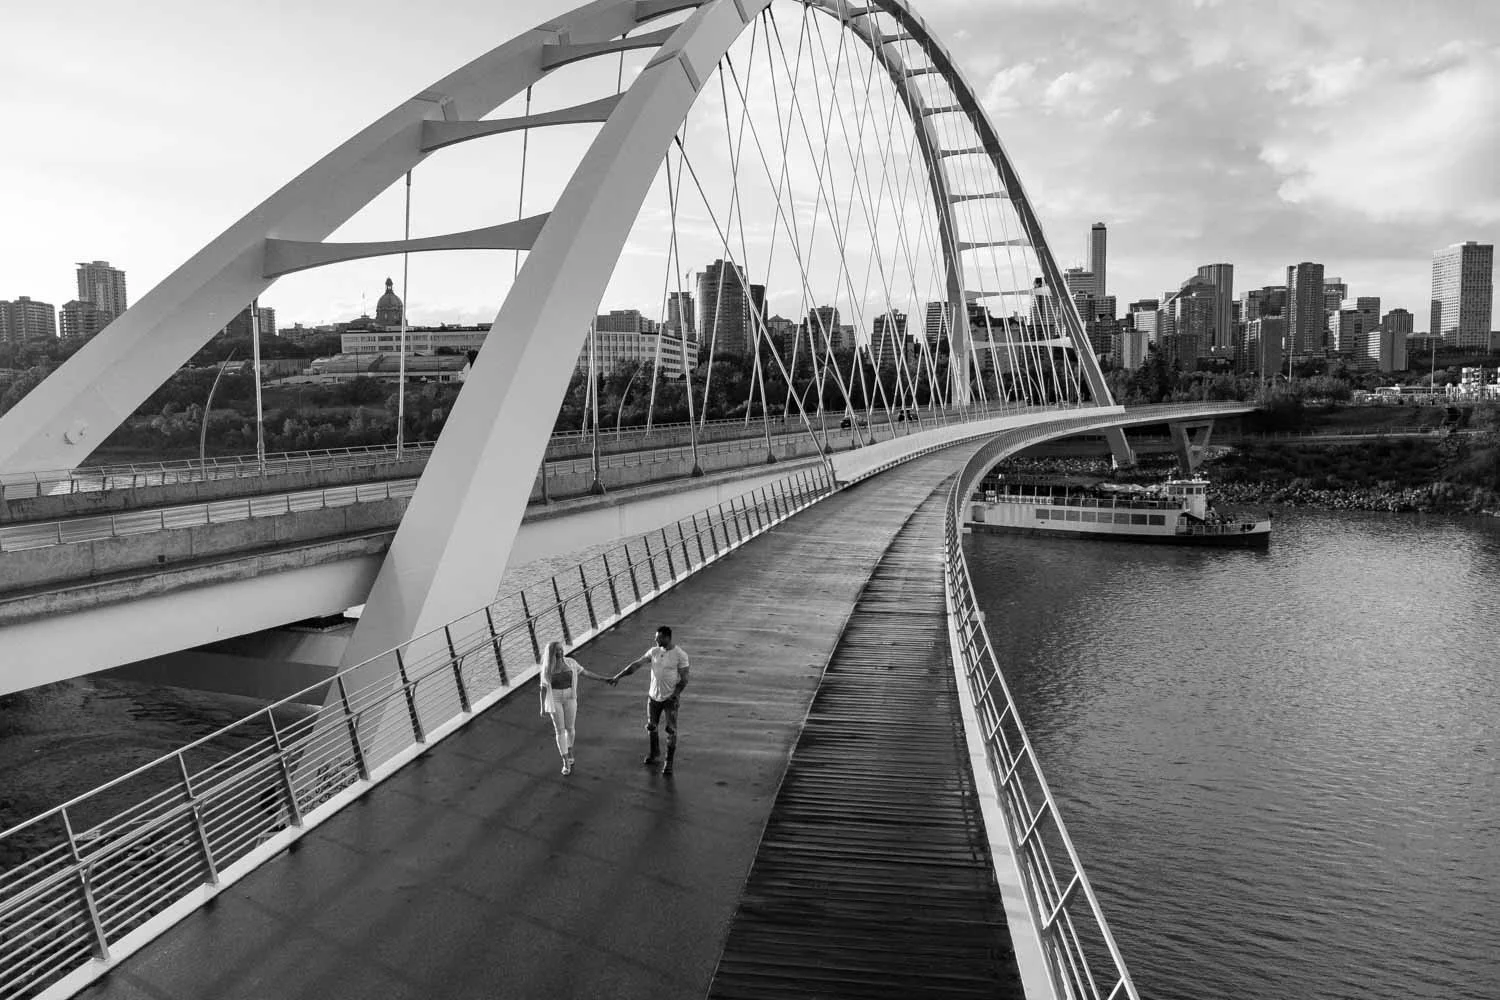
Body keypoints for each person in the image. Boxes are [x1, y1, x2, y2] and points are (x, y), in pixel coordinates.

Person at [612, 625, 690, 776]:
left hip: (669, 699)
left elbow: (685, 679)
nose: (655, 639)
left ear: (667, 638)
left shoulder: (680, 655)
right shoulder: (654, 651)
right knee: (651, 727)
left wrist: (676, 694)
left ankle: (669, 762)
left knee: (671, 730)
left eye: (659, 637)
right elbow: (635, 665)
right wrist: (618, 676)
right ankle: (654, 754)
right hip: (653, 698)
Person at [538, 640, 612, 775]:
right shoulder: (547, 668)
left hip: (570, 697)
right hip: (554, 699)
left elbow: (586, 673)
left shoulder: (571, 663)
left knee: (570, 729)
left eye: (561, 649)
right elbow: (543, 689)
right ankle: (565, 760)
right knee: (560, 730)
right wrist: (542, 707)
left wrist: (604, 679)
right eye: (557, 651)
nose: (560, 652)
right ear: (551, 654)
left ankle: (570, 749)